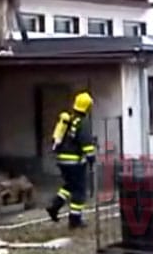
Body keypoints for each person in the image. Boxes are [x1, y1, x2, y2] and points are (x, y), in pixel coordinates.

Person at [45, 91, 97, 229]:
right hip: (75, 161)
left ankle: (54, 206)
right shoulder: (83, 122)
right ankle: (75, 220)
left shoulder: (70, 118)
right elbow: (86, 142)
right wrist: (91, 157)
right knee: (79, 190)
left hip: (62, 160)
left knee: (70, 185)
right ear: (86, 107)